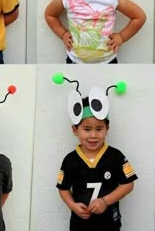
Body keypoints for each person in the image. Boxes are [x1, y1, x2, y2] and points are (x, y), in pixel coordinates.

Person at [56, 96, 138, 231]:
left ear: (107, 128)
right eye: (87, 129)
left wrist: (105, 201)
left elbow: (128, 184)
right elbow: (63, 188)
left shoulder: (116, 156)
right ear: (75, 130)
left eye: (99, 129)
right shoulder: (70, 160)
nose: (93, 135)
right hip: (80, 225)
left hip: (110, 225)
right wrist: (73, 205)